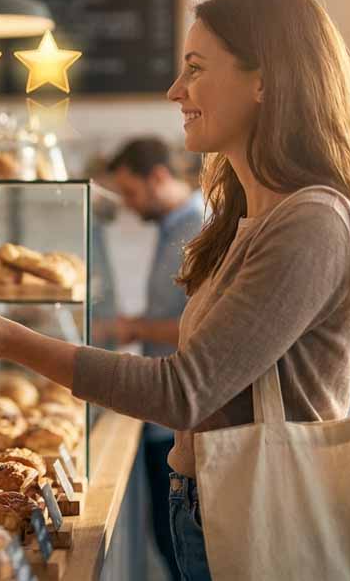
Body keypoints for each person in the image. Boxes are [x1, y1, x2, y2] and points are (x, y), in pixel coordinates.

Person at [0, 0, 350, 581]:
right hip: (222, 501)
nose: (176, 91)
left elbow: (185, 392)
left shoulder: (312, 219)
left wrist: (10, 340)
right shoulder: (258, 217)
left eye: (195, 70)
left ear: (266, 80)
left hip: (267, 513)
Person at [105, 136, 205, 580]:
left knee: (179, 550)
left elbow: (201, 328)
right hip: (162, 413)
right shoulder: (172, 228)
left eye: (130, 192)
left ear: (159, 177)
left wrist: (132, 327)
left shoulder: (199, 227)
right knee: (169, 547)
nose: (127, 205)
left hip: (179, 417)